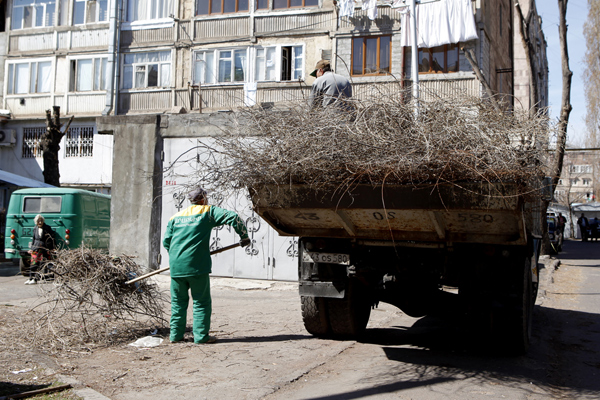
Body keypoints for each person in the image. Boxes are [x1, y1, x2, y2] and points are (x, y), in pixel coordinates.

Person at [163, 188, 251, 344]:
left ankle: (175, 336)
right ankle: (201, 337)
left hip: (176, 267)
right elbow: (233, 217)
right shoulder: (207, 212)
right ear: (203, 199)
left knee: (178, 303)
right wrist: (244, 236)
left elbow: (166, 242)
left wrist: (179, 257)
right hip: (197, 267)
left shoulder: (175, 217)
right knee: (201, 302)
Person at [26, 214, 55, 284]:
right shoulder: (35, 228)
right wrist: (31, 248)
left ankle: (35, 279)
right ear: (36, 222)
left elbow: (51, 239)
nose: (40, 222)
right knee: (33, 264)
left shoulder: (47, 228)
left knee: (40, 264)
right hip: (35, 248)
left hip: (44, 248)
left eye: (41, 220)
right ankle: (30, 278)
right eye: (38, 221)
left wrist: (51, 248)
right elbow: (33, 239)